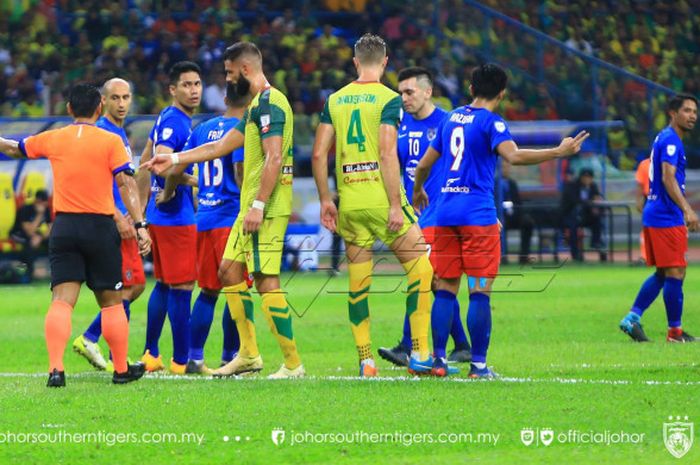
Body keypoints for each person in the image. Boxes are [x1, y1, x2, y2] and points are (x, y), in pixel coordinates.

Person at [413, 63, 588, 378]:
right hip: (477, 217)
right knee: (479, 290)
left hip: (445, 213)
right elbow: (515, 156)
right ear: (503, 94)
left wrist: (417, 191)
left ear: (471, 89)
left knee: (445, 288)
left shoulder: (450, 118)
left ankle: (439, 361)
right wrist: (558, 152)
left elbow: (424, 165)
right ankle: (478, 366)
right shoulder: (492, 123)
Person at [142, 42, 305, 379]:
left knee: (265, 281)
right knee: (228, 271)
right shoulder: (255, 107)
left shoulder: (272, 103)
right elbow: (218, 147)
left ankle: (292, 364)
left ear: (245, 70)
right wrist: (172, 159)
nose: (228, 82)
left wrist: (258, 204)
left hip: (266, 208)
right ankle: (247, 354)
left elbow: (274, 157)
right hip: (242, 211)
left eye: (230, 74)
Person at [0, 83, 151, 387]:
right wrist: (139, 224)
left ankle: (56, 370)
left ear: (69, 109)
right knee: (110, 301)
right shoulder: (111, 141)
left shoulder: (55, 138)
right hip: (100, 228)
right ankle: (120, 369)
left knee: (61, 301)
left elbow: (15, 148)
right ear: (100, 108)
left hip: (65, 227)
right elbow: (125, 184)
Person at [311, 34, 434, 377]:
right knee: (422, 269)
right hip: (381, 200)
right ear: (384, 62)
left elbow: (319, 153)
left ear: (354, 62)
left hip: (349, 203)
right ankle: (420, 352)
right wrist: (396, 205)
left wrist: (325, 199)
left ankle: (365, 360)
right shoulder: (388, 99)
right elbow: (385, 152)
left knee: (358, 283)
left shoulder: (335, 100)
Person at [377, 66, 471, 369]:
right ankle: (463, 345)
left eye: (409, 92)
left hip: (438, 212)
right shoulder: (400, 124)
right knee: (433, 281)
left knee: (423, 275)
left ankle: (407, 346)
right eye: (401, 92)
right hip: (410, 214)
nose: (404, 98)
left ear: (428, 91)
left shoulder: (446, 122)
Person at [157, 81, 248, 374]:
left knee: (208, 292)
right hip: (231, 218)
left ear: (224, 97)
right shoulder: (242, 131)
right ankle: (230, 356)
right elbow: (239, 171)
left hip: (204, 220)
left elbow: (175, 167)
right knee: (237, 291)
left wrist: (168, 192)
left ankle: (194, 358)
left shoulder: (203, 129)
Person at [71, 78, 147, 372]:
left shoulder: (118, 132)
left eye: (126, 97)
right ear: (103, 102)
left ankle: (101, 344)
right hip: (114, 220)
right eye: (115, 98)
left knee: (133, 286)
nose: (122, 103)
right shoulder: (103, 132)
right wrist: (118, 214)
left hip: (119, 218)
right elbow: (99, 180)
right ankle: (95, 341)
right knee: (129, 287)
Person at [138, 61, 202, 374]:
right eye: (187, 85)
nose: (194, 91)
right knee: (183, 287)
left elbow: (145, 159)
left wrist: (147, 201)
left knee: (163, 285)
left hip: (161, 216)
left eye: (197, 84)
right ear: (173, 89)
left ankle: (152, 353)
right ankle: (181, 361)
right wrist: (193, 182)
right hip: (176, 218)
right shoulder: (176, 122)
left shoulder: (166, 116)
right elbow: (164, 163)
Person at [619, 93, 698, 343]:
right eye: (686, 111)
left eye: (694, 111)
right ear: (672, 113)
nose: (692, 116)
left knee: (666, 272)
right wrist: (687, 208)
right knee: (675, 271)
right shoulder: (672, 141)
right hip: (666, 215)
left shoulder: (664, 138)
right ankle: (674, 332)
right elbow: (668, 177)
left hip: (658, 213)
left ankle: (632, 318)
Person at [560, 168, 604, 261]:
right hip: (570, 215)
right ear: (580, 178)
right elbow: (574, 201)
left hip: (585, 216)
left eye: (589, 177)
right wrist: (590, 202)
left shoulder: (593, 186)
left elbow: (597, 197)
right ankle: (575, 254)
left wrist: (598, 199)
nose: (587, 180)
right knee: (573, 227)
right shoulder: (572, 186)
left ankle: (596, 242)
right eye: (585, 177)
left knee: (598, 220)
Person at [10, 188, 51, 280]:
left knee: (53, 243)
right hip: (18, 233)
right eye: (42, 202)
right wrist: (39, 214)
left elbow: (50, 228)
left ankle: (55, 273)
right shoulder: (26, 209)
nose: (44, 204)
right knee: (30, 243)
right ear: (37, 201)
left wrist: (41, 237)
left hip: (36, 234)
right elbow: (29, 231)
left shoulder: (46, 209)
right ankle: (27, 274)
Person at [500, 160, 535, 264]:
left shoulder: (512, 183)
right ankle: (502, 256)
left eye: (507, 167)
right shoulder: (495, 183)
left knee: (528, 222)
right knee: (499, 224)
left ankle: (524, 256)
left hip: (514, 214)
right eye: (503, 167)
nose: (506, 169)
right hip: (501, 215)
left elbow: (518, 201)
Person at [635, 156, 651, 262]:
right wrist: (639, 200)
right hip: (648, 199)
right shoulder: (644, 164)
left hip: (665, 198)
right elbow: (640, 184)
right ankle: (645, 256)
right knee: (647, 228)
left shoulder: (668, 162)